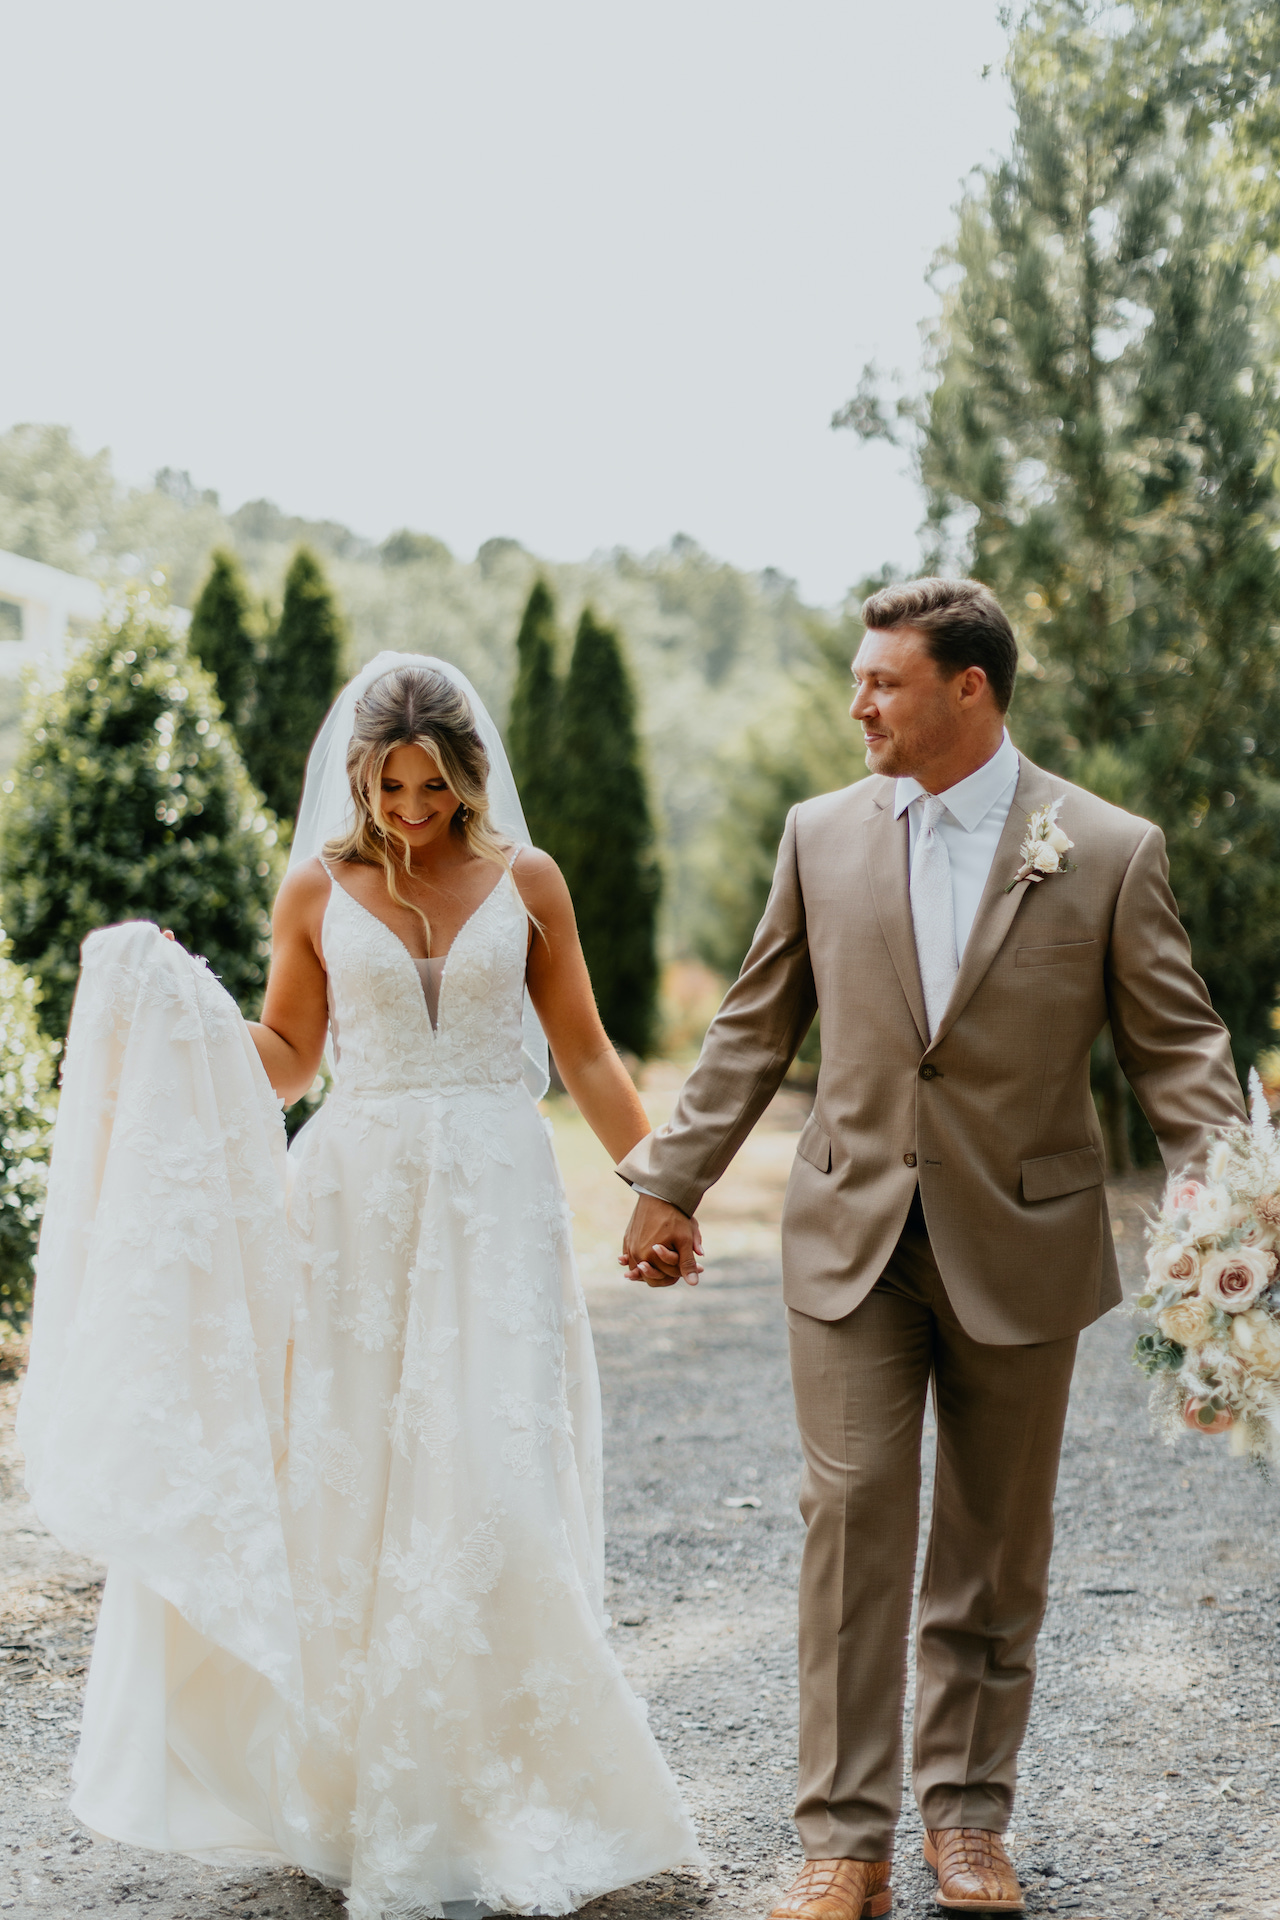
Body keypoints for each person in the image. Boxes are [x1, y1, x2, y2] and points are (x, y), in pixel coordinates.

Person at [23, 653, 697, 1918]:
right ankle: (364, 1792)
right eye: (386, 787)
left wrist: (662, 1185)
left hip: (497, 1201)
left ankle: (511, 1787)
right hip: (353, 1206)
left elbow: (589, 1052)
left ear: (466, 777)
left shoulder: (529, 884)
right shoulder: (313, 891)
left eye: (428, 789)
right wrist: (183, 1015)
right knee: (359, 1491)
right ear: (357, 777)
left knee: (495, 1479)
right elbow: (286, 1059)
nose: (406, 811)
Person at [616, 579, 1244, 1917]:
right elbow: (750, 1025)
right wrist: (672, 1180)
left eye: (883, 682)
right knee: (851, 1516)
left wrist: (1234, 1201)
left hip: (1023, 1236)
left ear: (971, 689)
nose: (858, 704)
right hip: (853, 1233)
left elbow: (1180, 1050)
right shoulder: (820, 835)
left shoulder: (1107, 849)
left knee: (993, 1545)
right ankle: (843, 1842)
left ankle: (968, 1820)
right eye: (858, 680)